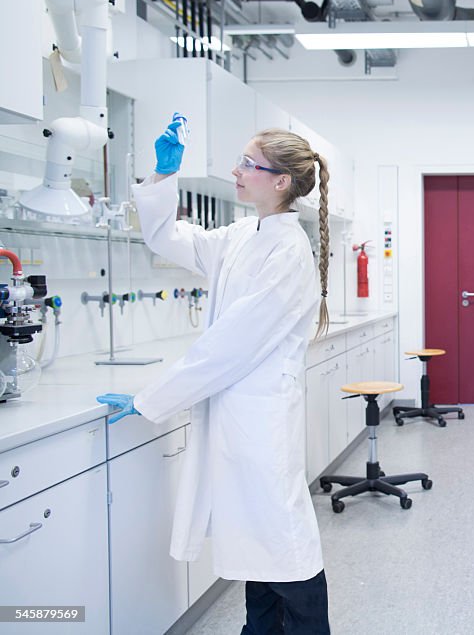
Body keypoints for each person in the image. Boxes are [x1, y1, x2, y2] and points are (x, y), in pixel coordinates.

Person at [96, 120, 332, 634]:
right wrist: (163, 175)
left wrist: (151, 398)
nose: (236, 171)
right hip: (237, 417)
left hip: (260, 422)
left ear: (281, 182)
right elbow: (167, 237)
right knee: (255, 547)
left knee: (283, 544)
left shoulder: (288, 254)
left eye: (249, 164)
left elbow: (228, 348)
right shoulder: (241, 236)